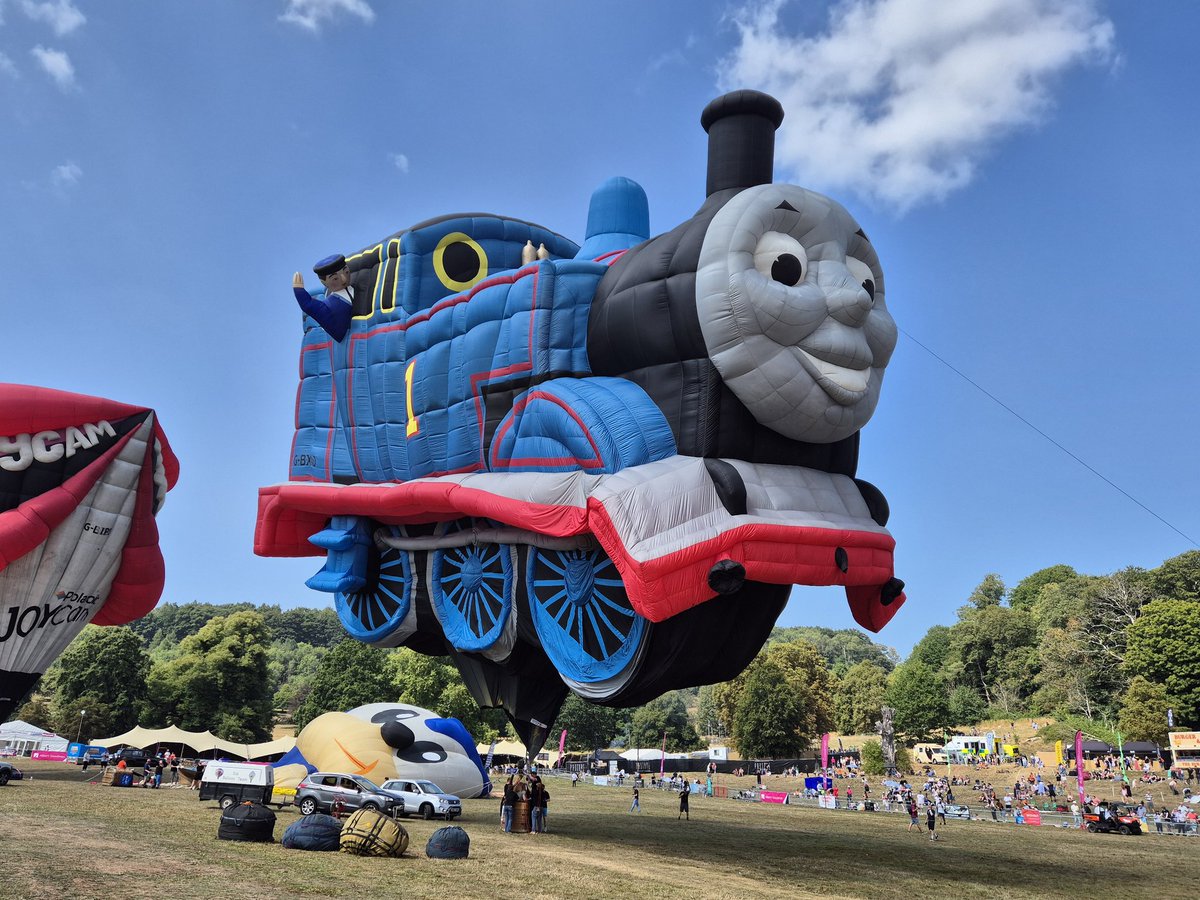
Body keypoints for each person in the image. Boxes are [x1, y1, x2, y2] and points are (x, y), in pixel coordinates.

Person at [292, 255, 355, 341]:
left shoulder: (357, 285)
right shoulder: (330, 305)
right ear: (324, 282)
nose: (344, 279)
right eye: (335, 279)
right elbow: (308, 305)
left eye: (346, 272)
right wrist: (299, 292)